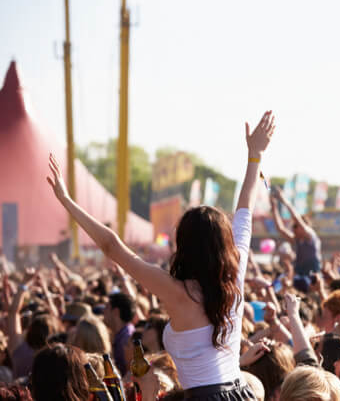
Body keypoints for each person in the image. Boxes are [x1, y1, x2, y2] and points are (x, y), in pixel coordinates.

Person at [46, 110, 276, 400]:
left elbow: (112, 247)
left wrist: (67, 201)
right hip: (241, 394)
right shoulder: (236, 272)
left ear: (184, 245)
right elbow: (246, 209)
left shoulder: (177, 290)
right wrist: (255, 156)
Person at [269, 186, 322, 277]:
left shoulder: (310, 235)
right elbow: (280, 229)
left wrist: (283, 200)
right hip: (300, 272)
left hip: (312, 273)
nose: (293, 229)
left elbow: (296, 218)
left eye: (295, 226)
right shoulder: (296, 239)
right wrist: (274, 208)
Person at [103, 292, 136, 374]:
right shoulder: (121, 335)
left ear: (116, 312)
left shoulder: (127, 339)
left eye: (107, 307)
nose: (103, 311)